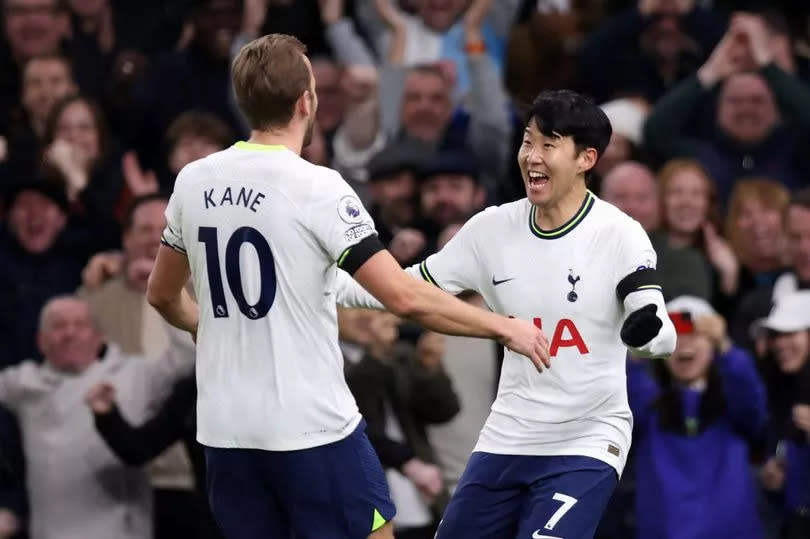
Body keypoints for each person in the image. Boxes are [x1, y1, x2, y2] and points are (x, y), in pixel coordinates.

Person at [145, 33, 548, 539]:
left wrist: (205, 328)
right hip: (311, 431)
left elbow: (162, 295)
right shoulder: (318, 187)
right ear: (306, 101)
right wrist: (502, 326)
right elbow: (400, 297)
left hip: (226, 436)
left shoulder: (193, 180)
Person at [336, 89, 677, 538]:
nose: (532, 157)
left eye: (549, 145)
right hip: (507, 437)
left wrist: (645, 333)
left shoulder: (619, 235)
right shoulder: (491, 230)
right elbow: (403, 288)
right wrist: (324, 287)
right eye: (527, 141)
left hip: (586, 440)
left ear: (586, 158)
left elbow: (659, 328)